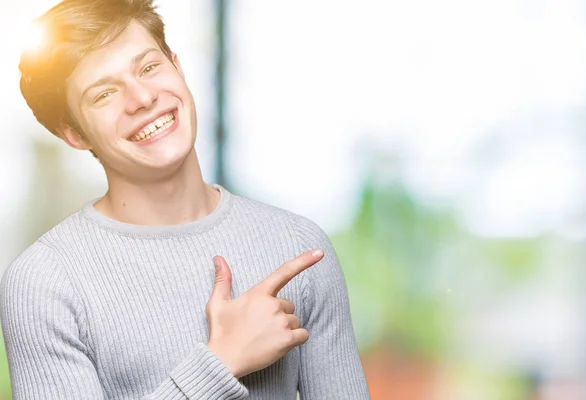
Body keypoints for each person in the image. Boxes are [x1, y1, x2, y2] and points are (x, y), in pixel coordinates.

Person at [0, 0, 370, 399]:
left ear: (177, 66)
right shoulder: (46, 282)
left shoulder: (298, 248)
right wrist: (221, 364)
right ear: (75, 133)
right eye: (104, 93)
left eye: (148, 67)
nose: (141, 97)